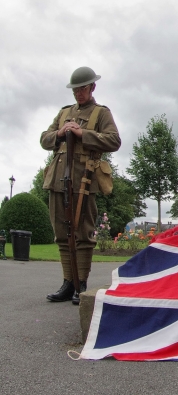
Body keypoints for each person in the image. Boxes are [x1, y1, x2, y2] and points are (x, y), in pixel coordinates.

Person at [41, 67, 121, 304]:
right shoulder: (64, 112)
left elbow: (114, 140)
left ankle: (81, 283)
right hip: (58, 178)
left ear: (92, 88)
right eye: (76, 89)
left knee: (83, 232)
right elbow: (44, 138)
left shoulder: (101, 113)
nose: (79, 93)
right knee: (61, 232)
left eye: (83, 88)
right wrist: (58, 133)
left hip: (84, 179)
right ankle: (68, 282)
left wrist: (82, 132)